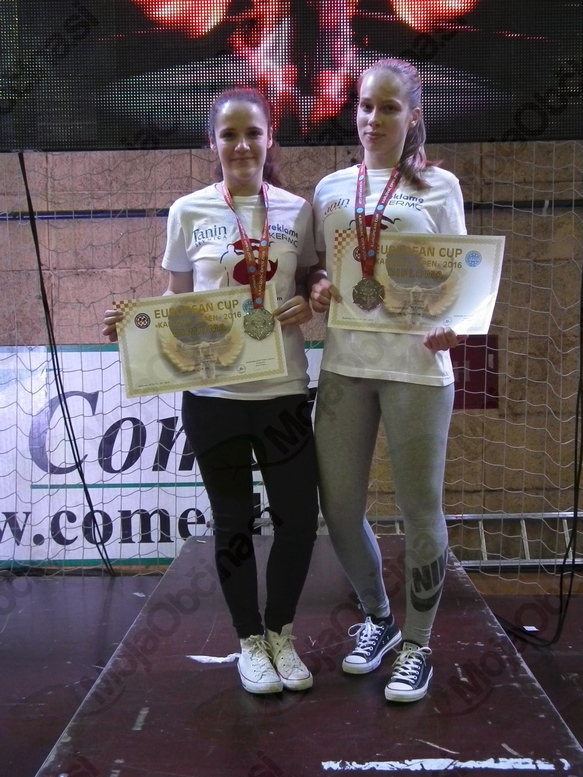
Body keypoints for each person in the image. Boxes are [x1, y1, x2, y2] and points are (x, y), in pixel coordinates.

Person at [103, 88, 319, 695]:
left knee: (299, 519)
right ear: (213, 142)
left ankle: (281, 634)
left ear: (270, 138)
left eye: (253, 133)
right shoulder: (188, 210)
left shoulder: (297, 210)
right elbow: (177, 300)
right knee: (232, 524)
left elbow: (311, 279)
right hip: (213, 399)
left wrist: (309, 300)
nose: (242, 145)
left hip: (282, 392)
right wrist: (134, 323)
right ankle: (249, 642)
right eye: (229, 134)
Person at [308, 58, 467, 703]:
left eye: (389, 107)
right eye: (365, 106)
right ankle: (379, 620)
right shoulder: (329, 188)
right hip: (345, 367)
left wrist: (455, 325)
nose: (373, 118)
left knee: (419, 509)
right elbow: (317, 270)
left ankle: (419, 645)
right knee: (340, 510)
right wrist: (319, 286)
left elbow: (462, 277)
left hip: (417, 371)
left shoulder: (440, 187)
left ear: (413, 117)